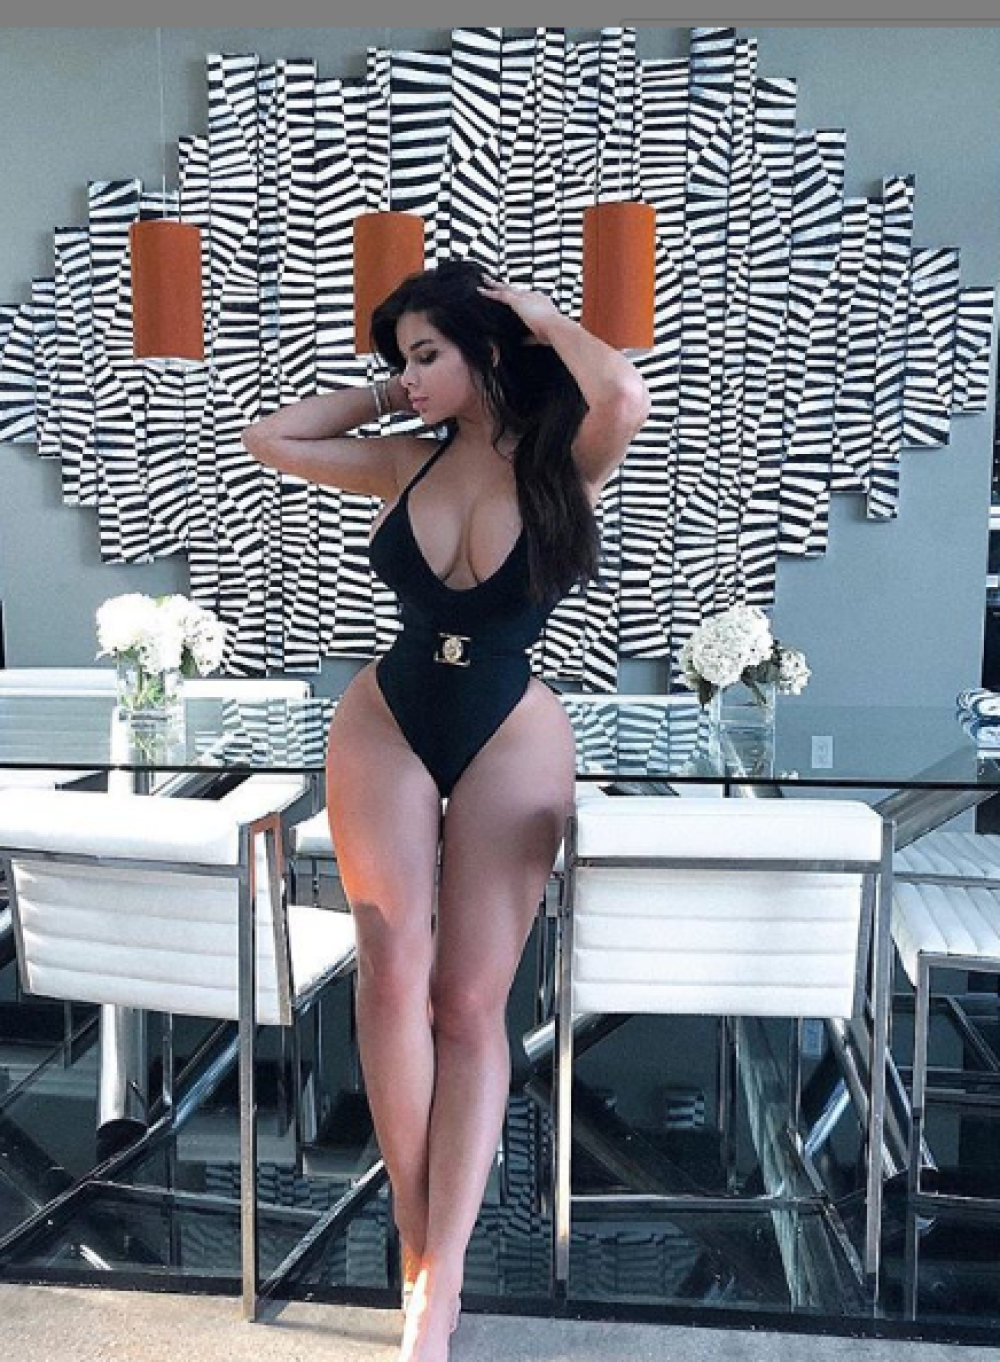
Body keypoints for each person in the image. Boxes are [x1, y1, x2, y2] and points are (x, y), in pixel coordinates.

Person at [242, 257, 650, 1362]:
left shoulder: (566, 458)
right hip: (387, 716)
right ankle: (422, 1249)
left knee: (469, 1004)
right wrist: (394, 389)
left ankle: (443, 1265)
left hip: (512, 724)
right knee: (390, 968)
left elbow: (622, 392)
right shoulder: (402, 461)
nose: (410, 377)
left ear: (488, 348)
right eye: (401, 361)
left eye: (427, 355)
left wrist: (538, 317)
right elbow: (272, 438)